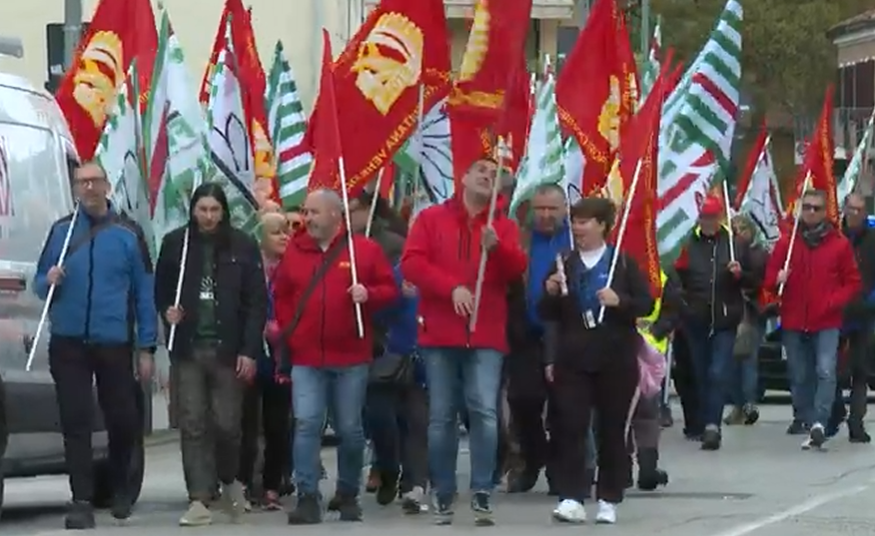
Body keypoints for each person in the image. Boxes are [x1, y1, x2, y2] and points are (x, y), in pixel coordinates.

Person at [401, 157, 527, 526]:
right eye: (481, 171)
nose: (487, 177)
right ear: (464, 177)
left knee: (484, 411)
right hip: (440, 333)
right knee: (442, 415)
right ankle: (443, 490)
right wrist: (450, 287)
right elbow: (412, 263)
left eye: (494, 175)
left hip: (485, 333)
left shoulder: (502, 225)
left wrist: (497, 248)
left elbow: (516, 270)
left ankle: (482, 489)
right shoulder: (431, 219)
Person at [33, 161, 157, 529]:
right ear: (74, 189)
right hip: (69, 340)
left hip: (113, 340)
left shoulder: (128, 233)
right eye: (81, 182)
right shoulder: (60, 231)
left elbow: (144, 293)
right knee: (75, 421)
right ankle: (81, 499)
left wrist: (146, 346)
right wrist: (48, 279)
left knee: (122, 419)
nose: (88, 188)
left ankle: (121, 488)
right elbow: (39, 283)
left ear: (106, 186)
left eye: (94, 181)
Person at [275, 188, 398, 524]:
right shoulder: (295, 252)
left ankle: (347, 493)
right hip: (307, 358)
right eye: (306, 211)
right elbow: (282, 294)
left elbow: (390, 290)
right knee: (307, 425)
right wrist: (290, 330)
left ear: (334, 215)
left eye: (314, 212)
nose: (308, 218)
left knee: (350, 428)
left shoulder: (364, 251)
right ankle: (308, 496)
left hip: (351, 357)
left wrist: (368, 294)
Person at [154, 183, 268, 526]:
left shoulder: (243, 245)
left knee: (227, 423)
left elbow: (255, 302)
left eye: (214, 210)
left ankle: (230, 478)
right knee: (192, 422)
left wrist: (249, 350)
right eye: (202, 210)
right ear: (193, 210)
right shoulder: (176, 243)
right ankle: (199, 497)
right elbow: (160, 289)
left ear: (224, 211)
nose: (208, 217)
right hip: (188, 348)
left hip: (228, 348)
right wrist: (167, 311)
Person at [539, 197, 654, 525]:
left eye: (586, 221)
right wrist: (549, 291)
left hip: (615, 357)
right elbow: (546, 314)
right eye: (575, 221)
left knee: (612, 429)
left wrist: (621, 301)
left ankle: (608, 497)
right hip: (573, 358)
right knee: (570, 427)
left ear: (603, 225)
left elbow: (645, 303)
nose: (578, 227)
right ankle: (572, 496)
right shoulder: (564, 262)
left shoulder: (622, 262)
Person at [764, 189, 860, 449]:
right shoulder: (788, 242)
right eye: (807, 207)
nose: (811, 212)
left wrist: (833, 301)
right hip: (794, 320)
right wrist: (777, 279)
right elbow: (769, 278)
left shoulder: (839, 244)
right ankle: (806, 418)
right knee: (799, 374)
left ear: (825, 211)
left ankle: (820, 421)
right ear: (800, 210)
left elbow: (852, 281)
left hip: (827, 320)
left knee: (826, 370)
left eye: (817, 208)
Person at [673, 195, 758, 451]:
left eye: (713, 217)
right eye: (704, 217)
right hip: (695, 318)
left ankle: (712, 425)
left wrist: (740, 274)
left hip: (724, 319)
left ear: (720, 217)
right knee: (700, 374)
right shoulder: (687, 243)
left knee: (718, 372)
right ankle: (702, 420)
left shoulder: (735, 244)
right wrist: (683, 305)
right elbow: (676, 279)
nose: (708, 222)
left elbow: (755, 280)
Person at [504, 184, 570, 494]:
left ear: (564, 209)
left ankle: (560, 469)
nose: (544, 215)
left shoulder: (575, 239)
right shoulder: (520, 238)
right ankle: (533, 457)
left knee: (564, 407)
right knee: (522, 401)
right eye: (539, 208)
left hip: (566, 335)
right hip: (525, 334)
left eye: (551, 209)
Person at [238, 212, 294, 509]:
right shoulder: (248, 268)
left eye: (287, 231)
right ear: (260, 236)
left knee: (278, 424)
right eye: (276, 232)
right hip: (252, 353)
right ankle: (245, 482)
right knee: (246, 423)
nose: (285, 237)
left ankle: (273, 484)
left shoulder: (294, 268)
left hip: (282, 357)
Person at [363, 261, 429, 512]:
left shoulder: (445, 269)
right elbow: (375, 311)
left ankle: (415, 485)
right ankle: (388, 469)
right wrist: (398, 296)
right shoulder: (397, 271)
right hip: (390, 358)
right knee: (382, 420)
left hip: (426, 357)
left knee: (417, 421)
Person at [827, 193, 875, 442]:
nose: (855, 214)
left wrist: (870, 298)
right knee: (829, 369)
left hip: (865, 315)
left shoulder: (872, 239)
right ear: (845, 209)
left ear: (865, 211)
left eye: (859, 209)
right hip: (835, 312)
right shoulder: (835, 237)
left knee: (860, 371)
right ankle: (835, 409)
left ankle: (856, 423)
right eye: (851, 209)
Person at [723, 214, 769, 427]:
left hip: (750, 312)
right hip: (731, 313)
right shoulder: (727, 251)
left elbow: (759, 281)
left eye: (742, 228)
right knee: (731, 363)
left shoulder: (757, 253)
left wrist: (741, 275)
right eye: (735, 228)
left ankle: (748, 403)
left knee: (748, 360)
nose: (738, 232)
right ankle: (737, 405)